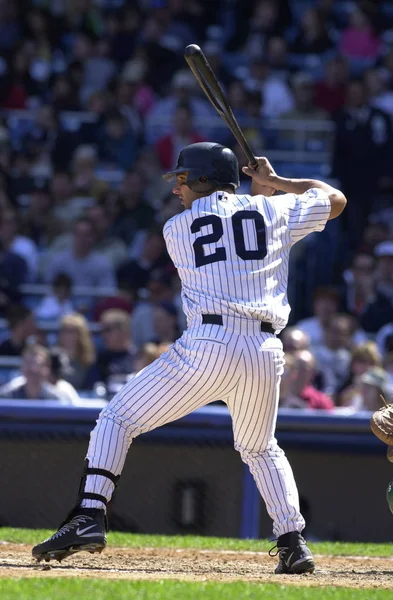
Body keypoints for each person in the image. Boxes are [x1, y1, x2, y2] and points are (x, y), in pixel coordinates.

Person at [32, 142, 347, 574]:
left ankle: (89, 514)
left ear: (203, 179)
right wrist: (276, 184)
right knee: (260, 448)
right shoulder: (274, 212)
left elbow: (238, 227)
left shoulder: (177, 228)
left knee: (117, 419)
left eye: (182, 179)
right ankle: (292, 542)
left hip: (209, 345)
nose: (176, 188)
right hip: (264, 350)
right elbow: (334, 200)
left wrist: (261, 193)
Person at [45, 218, 116, 288]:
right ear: (73, 236)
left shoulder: (103, 264)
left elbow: (107, 293)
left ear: (93, 237)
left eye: (86, 235)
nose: (82, 239)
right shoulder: (58, 261)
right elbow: (47, 288)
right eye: (79, 234)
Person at [0, 344, 68, 402]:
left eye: (37, 365)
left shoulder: (57, 399)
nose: (32, 369)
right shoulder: (6, 396)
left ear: (47, 369)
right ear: (22, 367)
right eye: (28, 363)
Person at [58, 313, 96, 390]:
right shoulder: (53, 356)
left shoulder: (89, 361)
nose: (67, 335)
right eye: (64, 330)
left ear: (81, 334)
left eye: (71, 331)